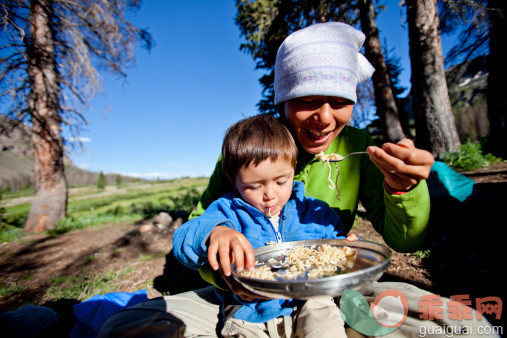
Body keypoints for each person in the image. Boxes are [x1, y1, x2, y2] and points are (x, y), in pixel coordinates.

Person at [99, 22, 497, 337]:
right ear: (283, 99)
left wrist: (404, 191)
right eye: (307, 100)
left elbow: (406, 240)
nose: (324, 118)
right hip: (246, 304)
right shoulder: (253, 150)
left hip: (331, 295)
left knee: (460, 325)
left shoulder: (360, 150)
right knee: (124, 326)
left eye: (339, 102)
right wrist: (221, 262)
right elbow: (201, 222)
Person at [173, 114, 357, 337]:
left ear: (293, 168)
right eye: (253, 186)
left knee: (325, 321)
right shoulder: (226, 211)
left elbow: (334, 246)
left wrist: (347, 248)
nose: (270, 195)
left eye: (281, 181)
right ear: (234, 181)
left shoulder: (312, 212)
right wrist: (216, 232)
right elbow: (183, 244)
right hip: (248, 311)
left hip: (309, 301)